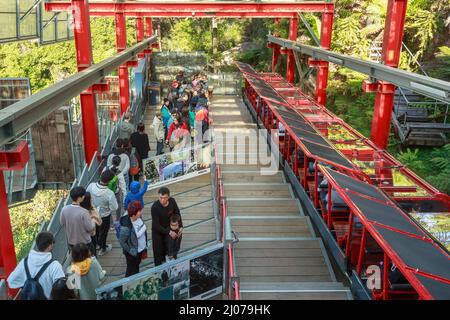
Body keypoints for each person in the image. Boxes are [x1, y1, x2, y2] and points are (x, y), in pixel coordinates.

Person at [7, 232, 65, 300]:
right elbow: (62, 289)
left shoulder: (24, 262)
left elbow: (11, 281)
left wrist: (28, 286)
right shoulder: (55, 265)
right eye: (52, 243)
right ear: (49, 246)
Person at [86, 170, 119, 256]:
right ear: (109, 181)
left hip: (92, 213)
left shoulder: (91, 186)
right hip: (104, 216)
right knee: (103, 232)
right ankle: (103, 248)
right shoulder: (109, 193)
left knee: (95, 230)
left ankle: (96, 245)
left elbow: (86, 195)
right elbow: (114, 207)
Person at [151, 187, 183, 266]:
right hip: (158, 232)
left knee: (172, 250)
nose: (162, 200)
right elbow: (156, 225)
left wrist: (181, 226)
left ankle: (173, 264)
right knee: (159, 255)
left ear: (168, 197)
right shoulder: (154, 207)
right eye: (160, 198)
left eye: (164, 198)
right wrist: (169, 232)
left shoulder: (172, 201)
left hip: (169, 228)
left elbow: (177, 213)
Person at [60, 186, 96, 254]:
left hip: (71, 242)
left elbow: (62, 223)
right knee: (90, 259)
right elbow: (90, 228)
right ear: (79, 198)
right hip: (85, 242)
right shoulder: (84, 212)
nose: (84, 197)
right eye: (83, 196)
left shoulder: (64, 209)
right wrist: (93, 221)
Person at [119, 201, 148, 277]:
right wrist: (130, 250)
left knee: (136, 267)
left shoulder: (139, 217)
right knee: (130, 270)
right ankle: (123, 286)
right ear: (134, 213)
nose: (141, 212)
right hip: (133, 253)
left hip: (140, 250)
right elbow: (122, 242)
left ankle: (135, 281)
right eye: (139, 211)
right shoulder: (126, 227)